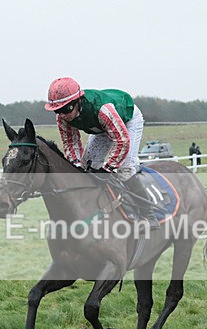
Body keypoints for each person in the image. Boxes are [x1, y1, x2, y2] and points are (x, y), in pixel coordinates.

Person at [44, 77, 158, 229]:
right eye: (58, 110)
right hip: (101, 128)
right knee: (85, 167)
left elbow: (122, 141)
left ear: (78, 101)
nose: (63, 115)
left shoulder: (102, 110)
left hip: (127, 120)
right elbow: (71, 143)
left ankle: (148, 215)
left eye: (66, 109)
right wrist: (77, 165)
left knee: (124, 168)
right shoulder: (63, 118)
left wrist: (107, 169)